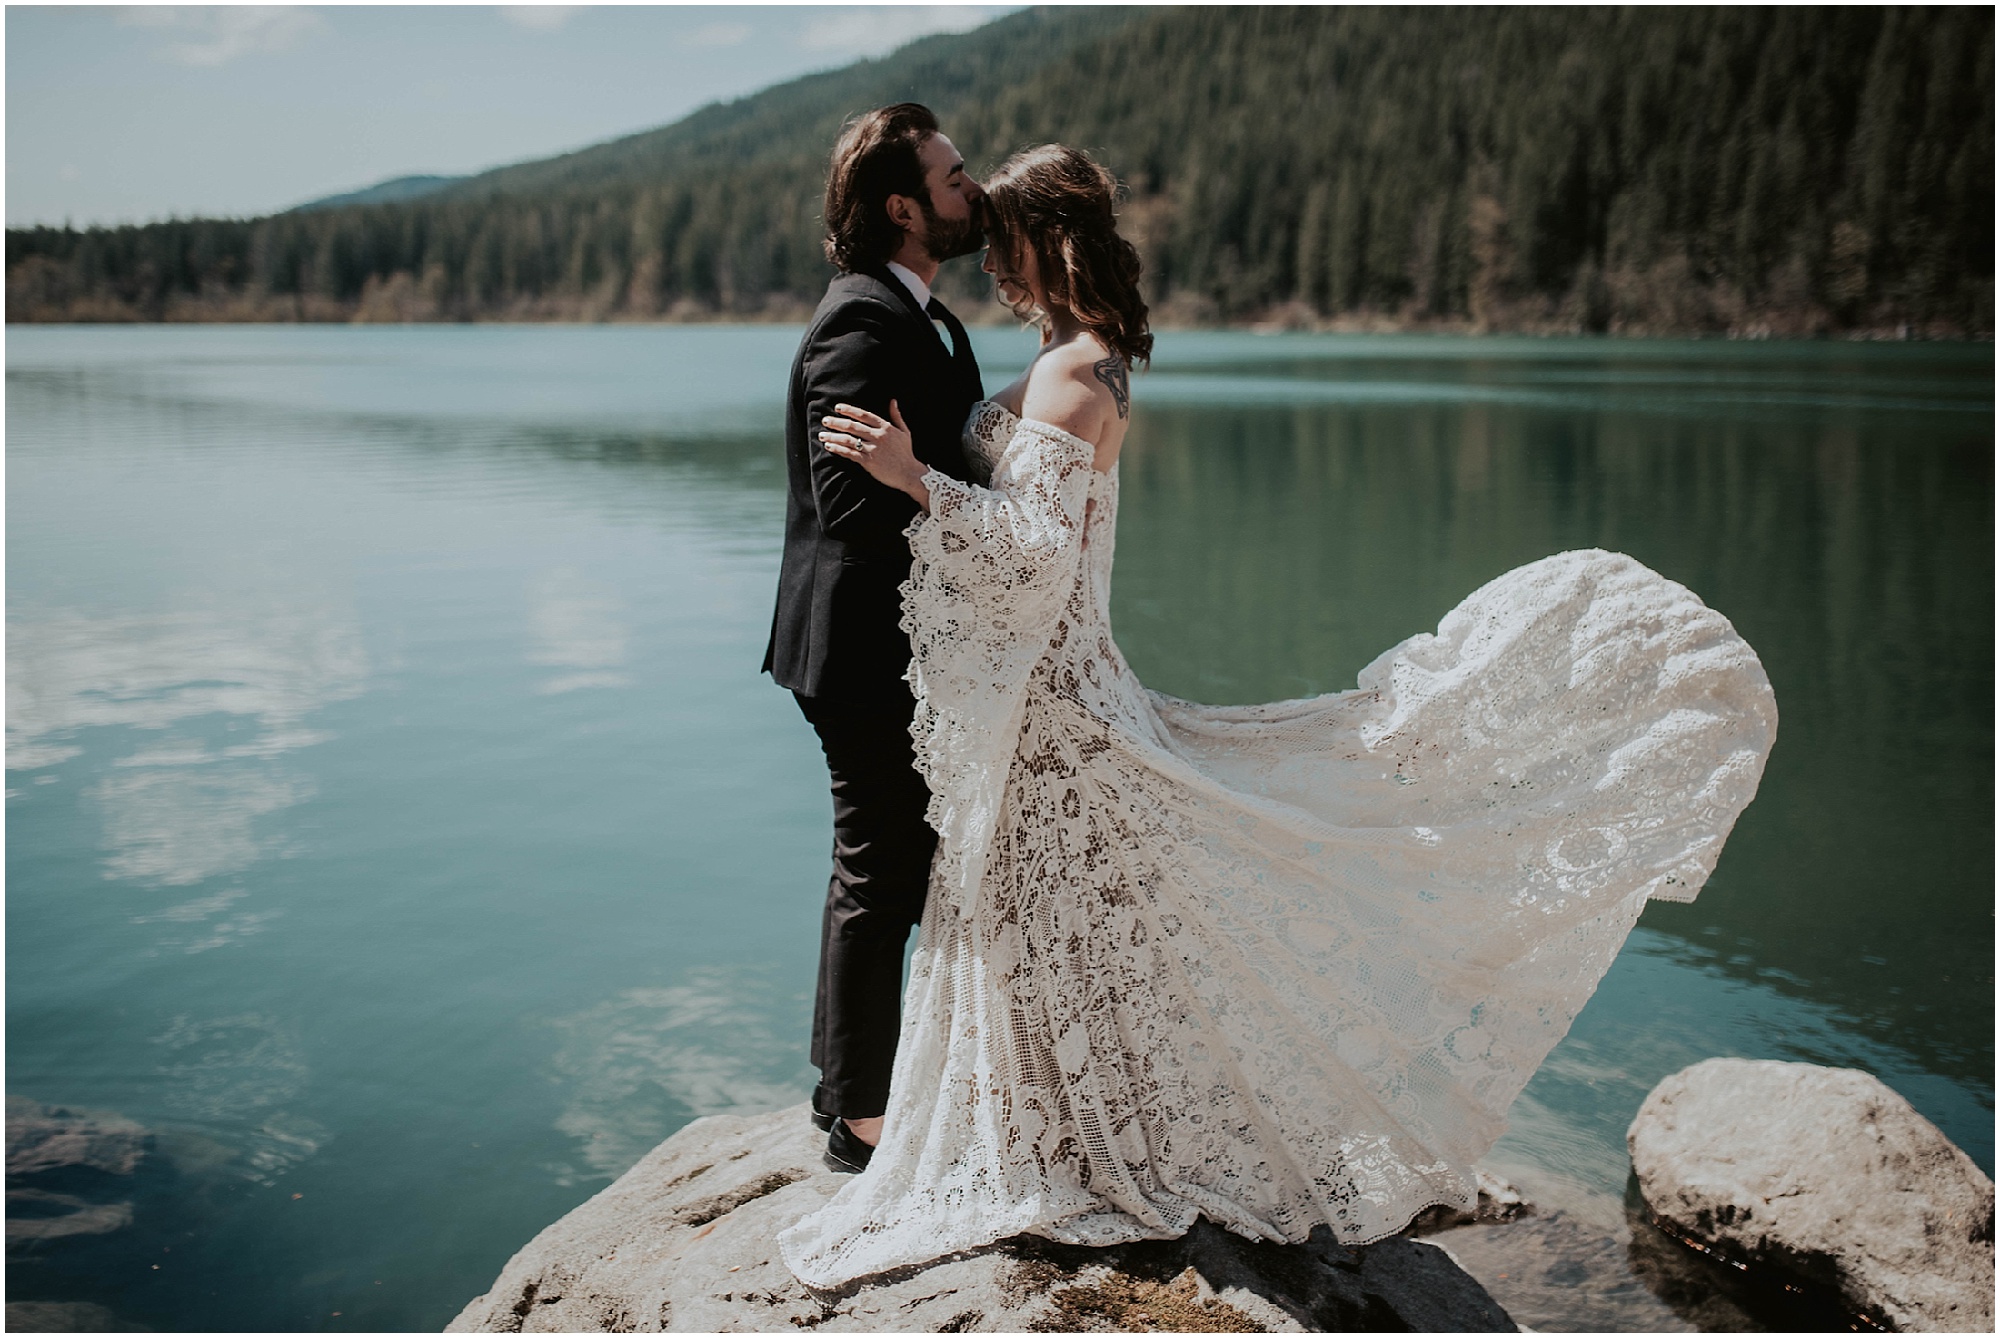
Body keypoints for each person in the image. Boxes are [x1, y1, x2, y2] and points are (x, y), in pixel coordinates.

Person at [779, 144, 1777, 1288]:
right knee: (1052, 924)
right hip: (1046, 697)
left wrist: (917, 480)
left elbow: (1035, 558)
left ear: (1043, 242)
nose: (991, 261)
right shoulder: (1078, 356)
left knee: (1051, 915)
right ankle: (1062, 1127)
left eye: (1004, 238)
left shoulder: (1074, 372)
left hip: (1056, 711)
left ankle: (1087, 1143)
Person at [761, 103, 987, 1174]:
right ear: (902, 207)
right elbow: (851, 503)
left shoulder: (917, 314)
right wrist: (949, 496)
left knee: (891, 861)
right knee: (881, 867)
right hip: (859, 649)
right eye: (953, 177)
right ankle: (859, 1122)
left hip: (891, 643)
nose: (972, 189)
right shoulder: (861, 321)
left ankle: (844, 1091)